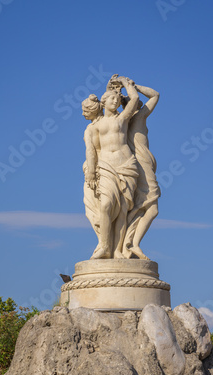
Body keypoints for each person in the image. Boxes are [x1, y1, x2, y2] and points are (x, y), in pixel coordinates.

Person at [85, 76, 140, 259]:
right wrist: (91, 173)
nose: (116, 101)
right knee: (106, 205)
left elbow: (135, 100)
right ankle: (104, 246)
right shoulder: (94, 127)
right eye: (112, 98)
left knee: (123, 209)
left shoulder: (123, 118)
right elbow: (91, 151)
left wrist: (126, 83)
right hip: (106, 166)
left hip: (126, 165)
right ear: (104, 102)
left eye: (117, 99)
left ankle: (117, 249)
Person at [121, 81, 161, 259]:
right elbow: (155, 95)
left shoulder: (123, 121)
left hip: (137, 165)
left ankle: (126, 244)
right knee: (152, 209)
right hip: (143, 166)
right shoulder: (138, 117)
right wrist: (134, 86)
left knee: (137, 208)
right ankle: (133, 244)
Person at [82, 94, 103, 256]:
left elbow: (90, 151)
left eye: (85, 110)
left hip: (95, 172)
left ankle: (105, 243)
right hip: (103, 169)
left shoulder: (91, 129)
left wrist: (90, 173)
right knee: (96, 210)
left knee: (93, 210)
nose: (83, 114)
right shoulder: (108, 123)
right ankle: (106, 243)